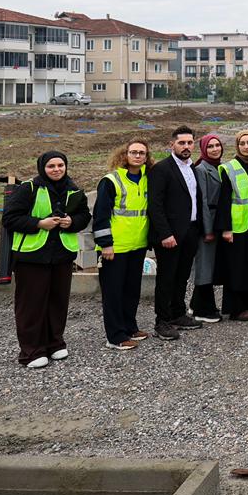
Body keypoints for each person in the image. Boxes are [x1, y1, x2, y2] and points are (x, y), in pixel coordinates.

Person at [3, 150, 88, 368]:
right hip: (32, 257)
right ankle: (31, 351)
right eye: (52, 166)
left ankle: (55, 343)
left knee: (58, 302)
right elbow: (10, 218)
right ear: (43, 167)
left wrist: (73, 222)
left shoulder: (74, 189)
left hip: (61, 256)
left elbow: (84, 216)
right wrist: (39, 223)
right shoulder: (28, 189)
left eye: (60, 165)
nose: (57, 169)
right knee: (31, 305)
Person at [93, 140, 151, 350]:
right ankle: (115, 336)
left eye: (141, 153)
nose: (137, 156)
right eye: (133, 152)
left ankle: (130, 327)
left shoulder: (147, 178)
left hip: (137, 245)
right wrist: (105, 244)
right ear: (125, 154)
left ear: (146, 157)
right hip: (115, 248)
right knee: (113, 293)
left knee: (131, 290)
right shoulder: (111, 181)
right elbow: (100, 215)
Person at [147, 127, 204, 340]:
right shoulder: (162, 169)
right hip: (170, 235)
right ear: (172, 145)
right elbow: (155, 205)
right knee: (166, 278)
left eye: (190, 143)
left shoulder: (192, 169)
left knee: (182, 276)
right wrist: (165, 234)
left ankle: (178, 313)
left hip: (190, 231)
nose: (186, 146)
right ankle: (161, 321)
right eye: (182, 143)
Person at [215, 130, 248, 321]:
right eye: (242, 143)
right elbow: (224, 201)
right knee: (236, 267)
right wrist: (226, 228)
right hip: (237, 227)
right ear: (237, 146)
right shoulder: (230, 168)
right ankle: (236, 308)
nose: (246, 146)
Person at [189, 133, 227, 324]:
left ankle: (197, 303)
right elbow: (202, 201)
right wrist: (207, 230)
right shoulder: (201, 169)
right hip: (208, 222)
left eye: (217, 145)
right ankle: (204, 309)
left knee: (210, 265)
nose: (214, 149)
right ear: (204, 149)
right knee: (204, 267)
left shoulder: (219, 167)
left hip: (217, 221)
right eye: (210, 146)